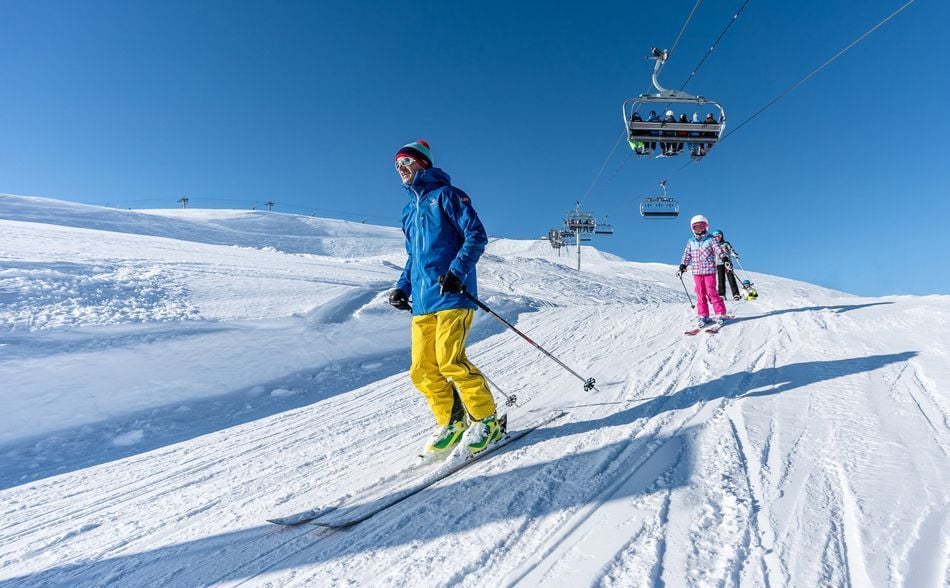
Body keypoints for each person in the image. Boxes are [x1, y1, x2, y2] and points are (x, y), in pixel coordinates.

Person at [387, 140, 501, 456]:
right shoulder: (409, 211)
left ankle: (486, 420)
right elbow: (414, 258)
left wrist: (457, 272)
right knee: (422, 370)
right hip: (423, 303)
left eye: (406, 162)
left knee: (451, 361)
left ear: (423, 163)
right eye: (397, 165)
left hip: (453, 296)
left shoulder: (448, 196)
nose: (401, 169)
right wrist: (402, 288)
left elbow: (476, 235)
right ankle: (452, 422)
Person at [677, 214, 728, 328]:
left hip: (709, 270)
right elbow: (687, 254)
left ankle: (721, 313)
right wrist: (683, 265)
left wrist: (724, 258)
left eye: (702, 226)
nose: (699, 229)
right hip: (696, 272)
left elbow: (718, 249)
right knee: (700, 293)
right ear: (692, 228)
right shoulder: (690, 241)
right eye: (696, 227)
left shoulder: (711, 239)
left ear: (706, 227)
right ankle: (703, 315)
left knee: (711, 292)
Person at [711, 229, 741, 300]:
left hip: (727, 263)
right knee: (721, 279)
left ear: (721, 236)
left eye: (718, 236)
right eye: (715, 237)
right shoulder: (713, 246)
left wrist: (734, 254)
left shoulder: (725, 244)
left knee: (731, 278)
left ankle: (736, 294)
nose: (717, 238)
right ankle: (722, 294)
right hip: (718, 264)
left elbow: (731, 250)